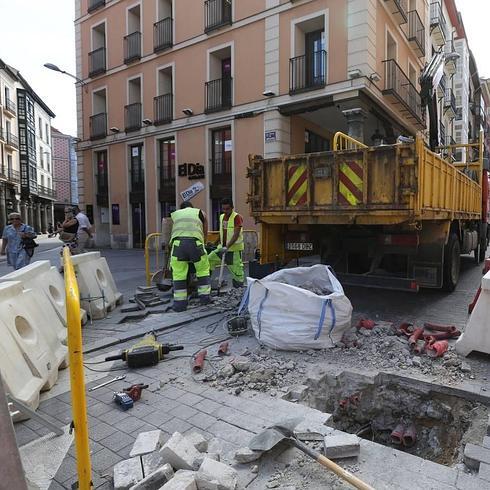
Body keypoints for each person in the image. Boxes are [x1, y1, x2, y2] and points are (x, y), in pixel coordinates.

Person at [169, 201, 211, 312]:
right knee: (202, 270)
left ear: (181, 208)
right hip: (195, 243)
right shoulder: (199, 212)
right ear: (192, 207)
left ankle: (180, 305)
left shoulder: (176, 213)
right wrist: (205, 242)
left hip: (178, 244)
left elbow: (171, 231)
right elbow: (205, 226)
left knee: (178, 274)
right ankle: (205, 299)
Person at [207, 198, 244, 287]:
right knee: (209, 259)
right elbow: (222, 232)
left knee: (237, 272)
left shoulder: (237, 217)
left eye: (227, 209)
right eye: (223, 209)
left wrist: (227, 246)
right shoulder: (222, 217)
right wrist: (215, 243)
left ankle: (238, 289)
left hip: (233, 250)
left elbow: (236, 234)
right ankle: (206, 284)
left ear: (232, 207)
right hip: (222, 248)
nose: (225, 211)